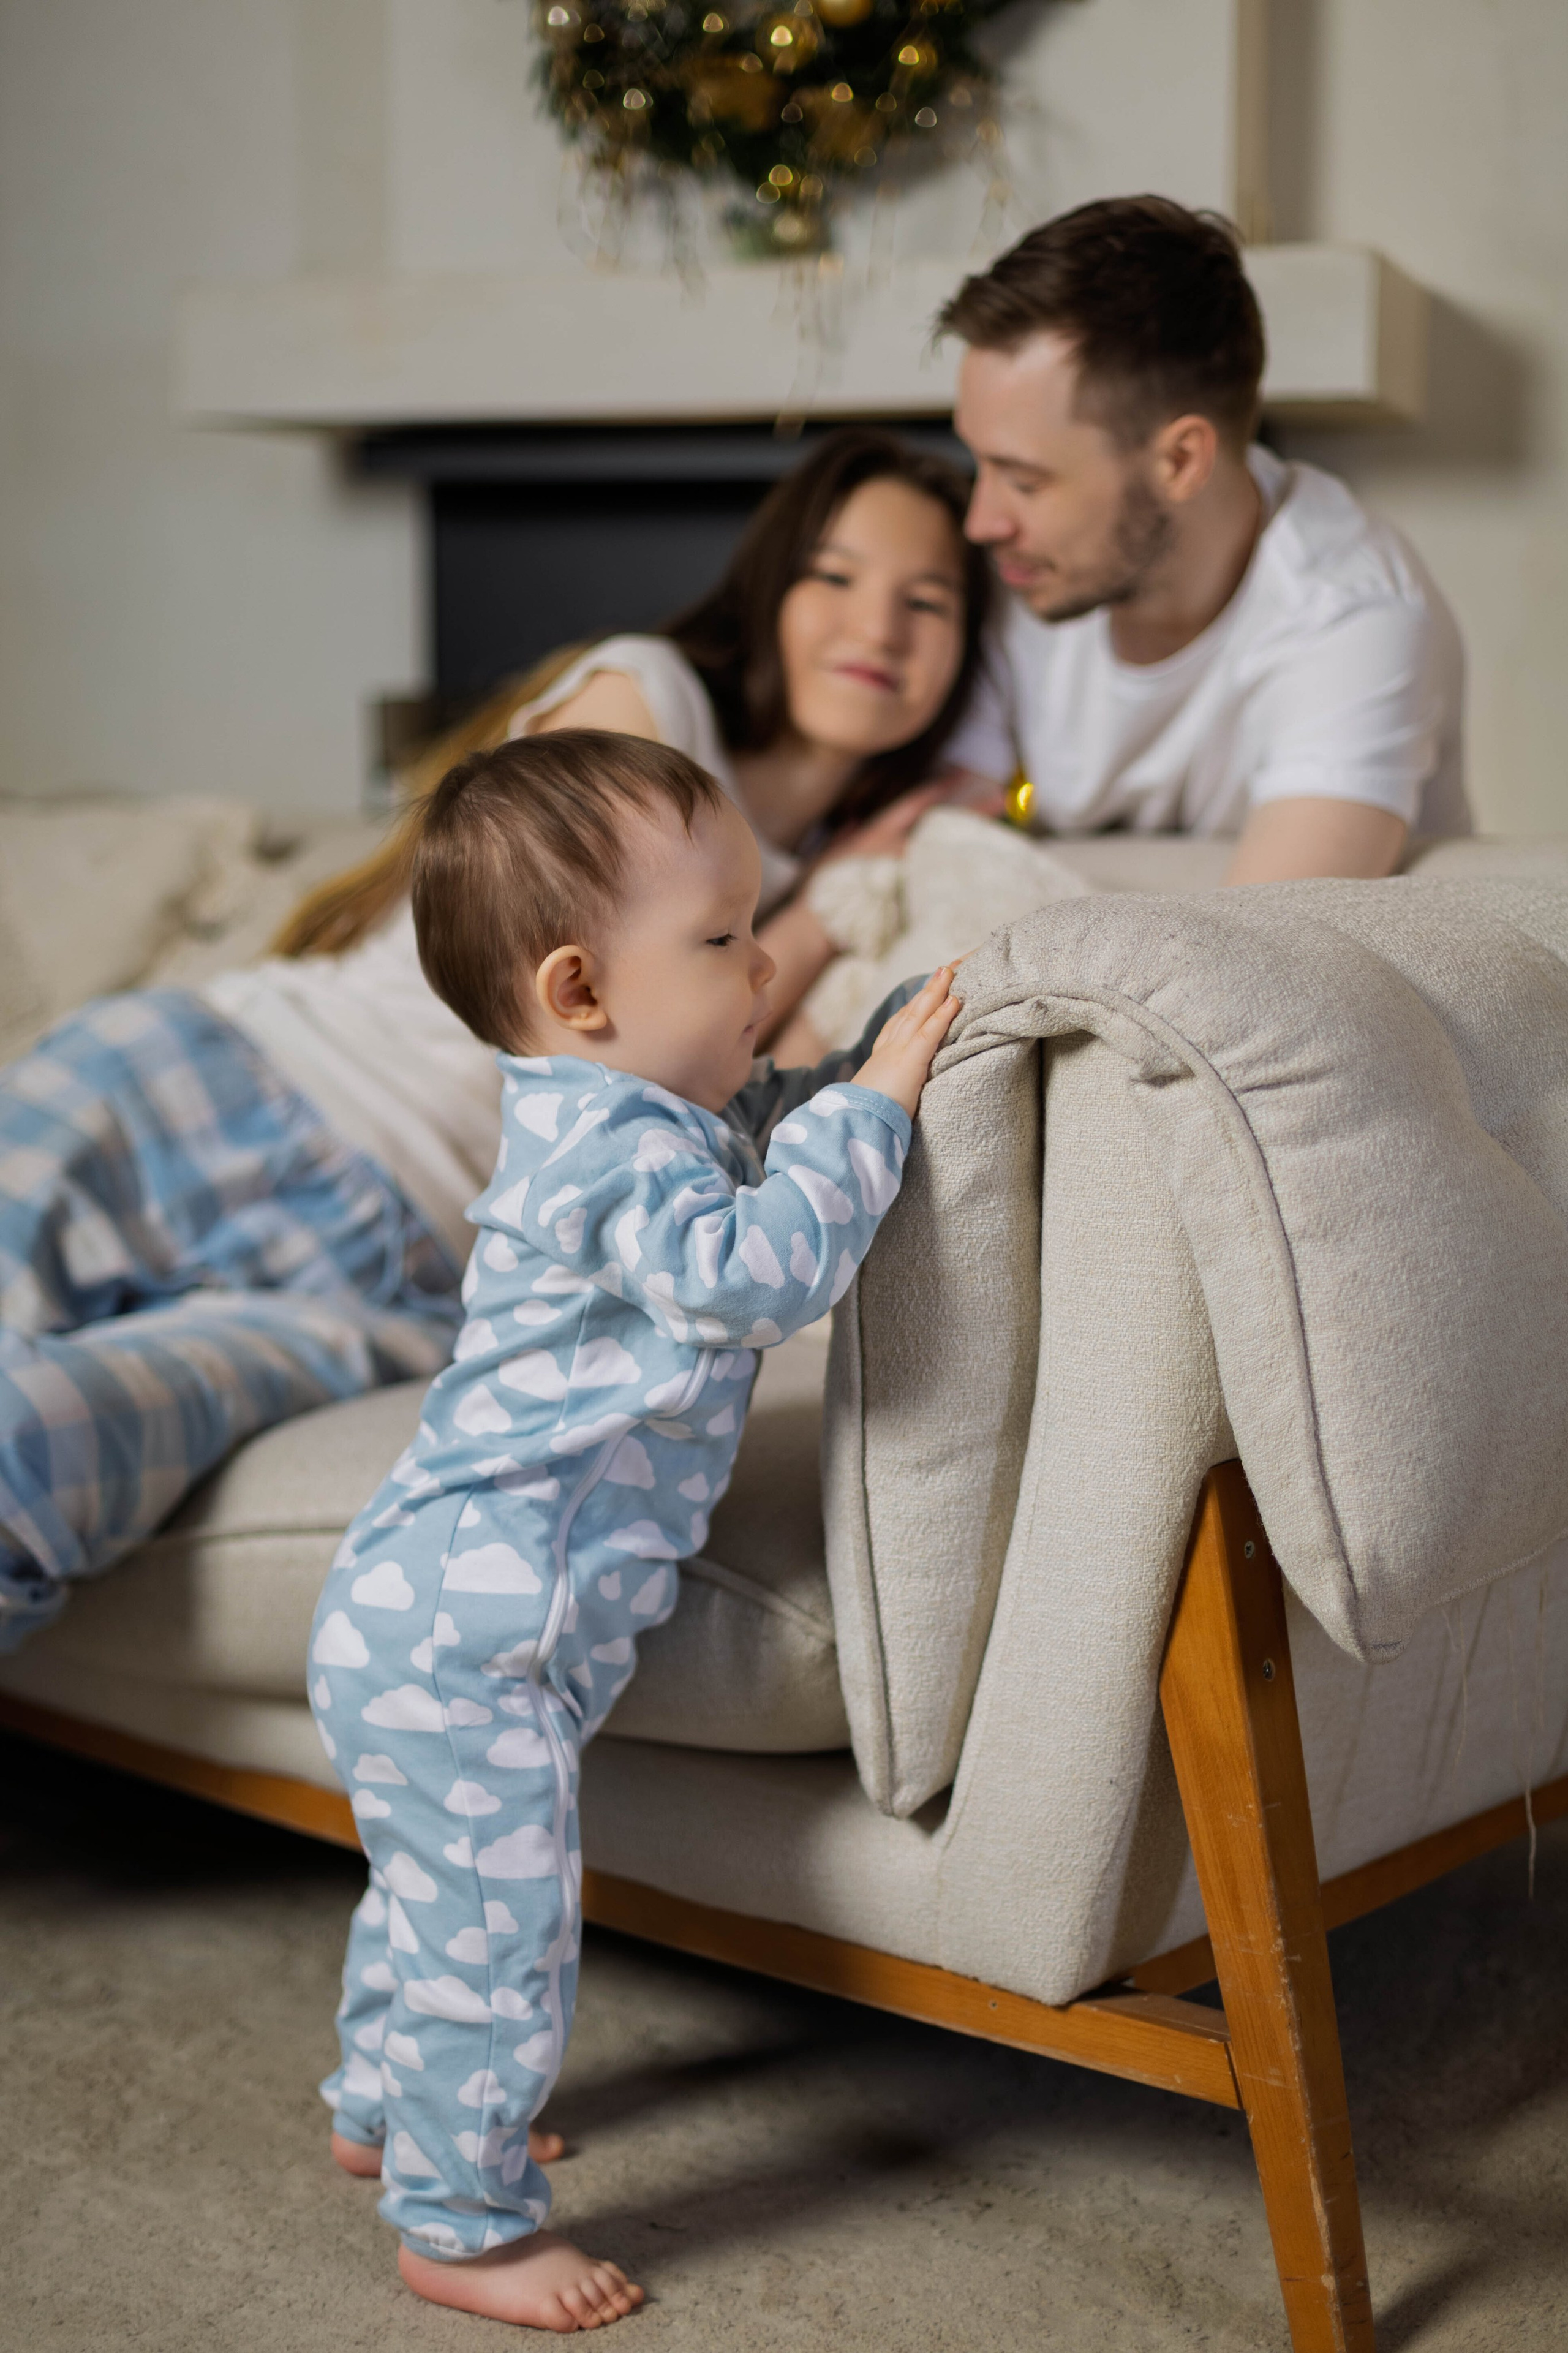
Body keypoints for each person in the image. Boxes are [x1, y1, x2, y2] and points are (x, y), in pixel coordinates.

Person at [0, 428, 987, 1647]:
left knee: (40, 1450)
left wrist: (847, 882)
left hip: (407, 1265)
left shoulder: (800, 877)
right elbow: (635, 1033)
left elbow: (714, 1090)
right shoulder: (647, 717)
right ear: (768, 585)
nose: (877, 628)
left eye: (927, 600)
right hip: (234, 1085)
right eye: (834, 578)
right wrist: (836, 901)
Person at [310, 730, 957, 2328]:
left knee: (429, 1890)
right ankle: (457, 2222)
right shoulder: (605, 1157)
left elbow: (759, 1134)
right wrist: (869, 1113)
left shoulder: (641, 1122)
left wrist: (866, 1061)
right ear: (583, 992)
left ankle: (380, 2107)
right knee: (498, 1934)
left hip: (424, 1608)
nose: (763, 960)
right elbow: (758, 1269)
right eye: (725, 935)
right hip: (471, 1623)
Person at [935, 197, 1469, 882]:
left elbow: (1268, 957)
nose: (981, 523)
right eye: (977, 462)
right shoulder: (1024, 573)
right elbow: (930, 852)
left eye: (1025, 480)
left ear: (1181, 462)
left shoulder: (1351, 615)